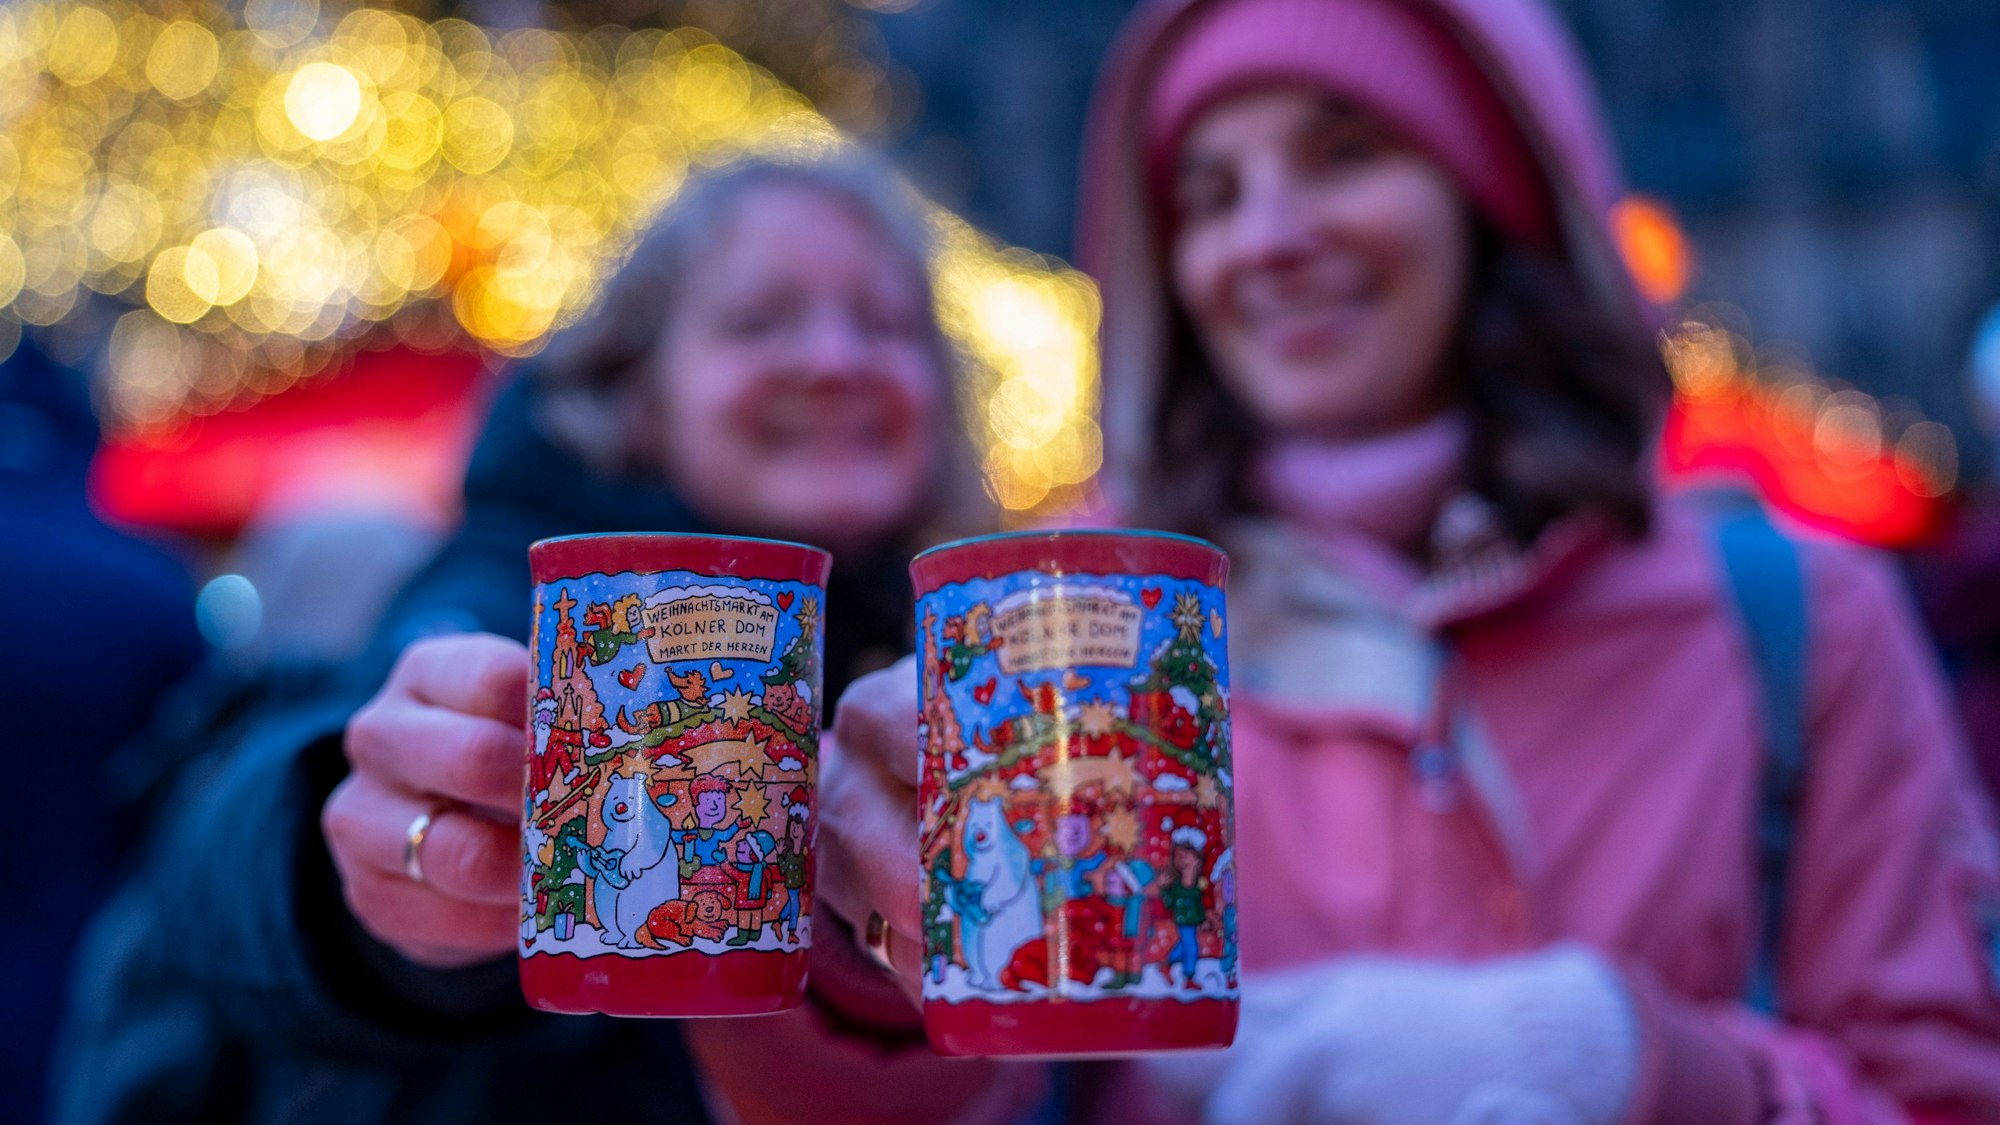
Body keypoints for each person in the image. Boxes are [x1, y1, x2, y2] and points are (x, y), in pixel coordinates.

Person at [781, 0, 2000, 1121]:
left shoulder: (1793, 619)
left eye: (1343, 153)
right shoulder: (1075, 640)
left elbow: (1943, 1093)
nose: (1267, 238)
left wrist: (1646, 1062)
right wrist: (869, 972)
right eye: (1206, 195)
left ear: (1493, 192)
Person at [52, 153, 1030, 1124]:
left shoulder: (977, 660)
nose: (832, 360)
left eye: (885, 326)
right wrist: (365, 876)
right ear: (639, 383)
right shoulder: (515, 589)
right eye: (757, 321)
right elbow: (249, 795)